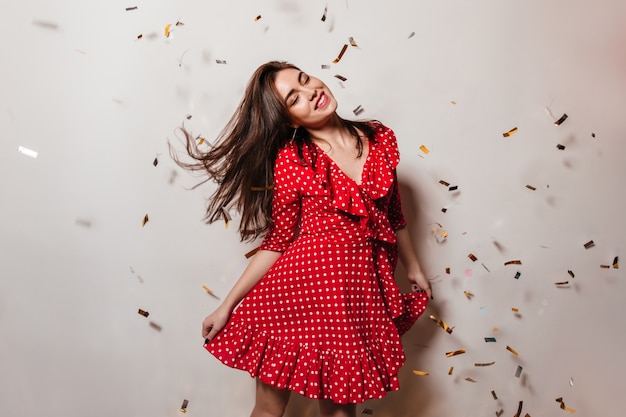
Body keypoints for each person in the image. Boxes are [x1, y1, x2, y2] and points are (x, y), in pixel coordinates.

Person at [174, 61, 431, 417]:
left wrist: (415, 267)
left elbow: (394, 214)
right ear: (290, 120)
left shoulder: (379, 138)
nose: (311, 93)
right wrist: (227, 305)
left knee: (341, 413)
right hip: (297, 299)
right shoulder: (292, 161)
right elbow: (277, 241)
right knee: (268, 409)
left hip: (353, 302)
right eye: (295, 98)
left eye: (305, 79)